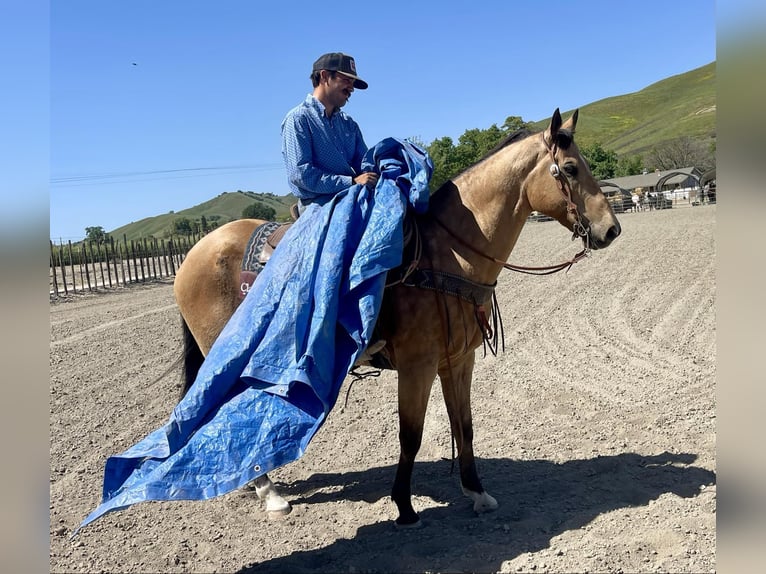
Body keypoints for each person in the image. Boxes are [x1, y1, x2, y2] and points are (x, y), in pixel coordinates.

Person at [281, 52, 379, 214]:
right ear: (325, 76)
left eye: (353, 82)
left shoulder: (349, 125)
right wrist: (351, 182)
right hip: (316, 205)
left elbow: (364, 164)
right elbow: (301, 174)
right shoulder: (298, 119)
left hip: (351, 196)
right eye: (346, 80)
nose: (351, 88)